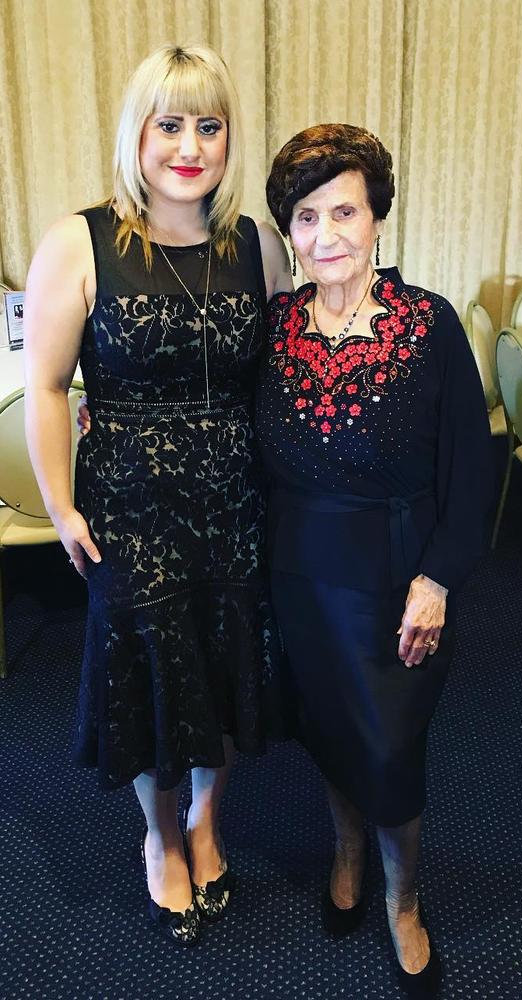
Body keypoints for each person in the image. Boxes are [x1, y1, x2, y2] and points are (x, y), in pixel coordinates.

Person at [23, 44, 292, 947]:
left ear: (228, 140)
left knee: (224, 666)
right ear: (137, 133)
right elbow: (49, 387)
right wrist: (61, 507)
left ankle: (208, 821)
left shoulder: (255, 243)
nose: (190, 145)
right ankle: (159, 836)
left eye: (208, 126)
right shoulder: (81, 240)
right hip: (131, 511)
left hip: (240, 503)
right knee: (150, 677)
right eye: (170, 124)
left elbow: (283, 374)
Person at [258, 124, 493, 996]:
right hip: (301, 574)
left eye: (344, 211)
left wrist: (436, 581)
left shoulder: (428, 324)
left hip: (398, 579)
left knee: (392, 748)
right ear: (290, 231)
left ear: (378, 219)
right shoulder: (277, 325)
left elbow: (472, 468)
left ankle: (403, 899)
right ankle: (346, 851)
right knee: (329, 731)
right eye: (307, 217)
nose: (327, 236)